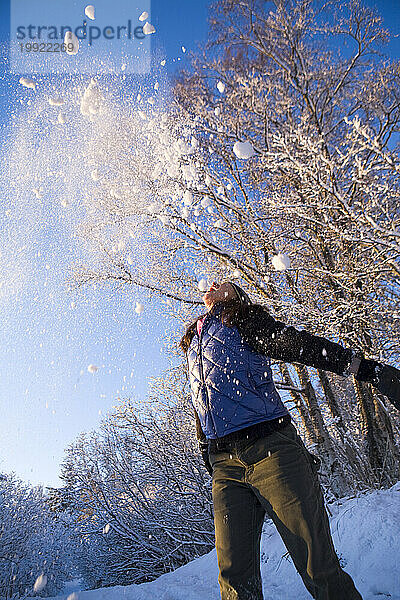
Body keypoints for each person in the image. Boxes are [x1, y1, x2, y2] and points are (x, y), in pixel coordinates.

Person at [179, 281, 400, 600]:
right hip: (224, 465)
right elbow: (202, 399)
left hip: (271, 451)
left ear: (236, 295)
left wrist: (365, 369)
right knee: (234, 580)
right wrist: (207, 452)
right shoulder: (196, 340)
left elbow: (301, 346)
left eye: (224, 282)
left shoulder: (244, 320)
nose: (213, 283)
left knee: (318, 568)